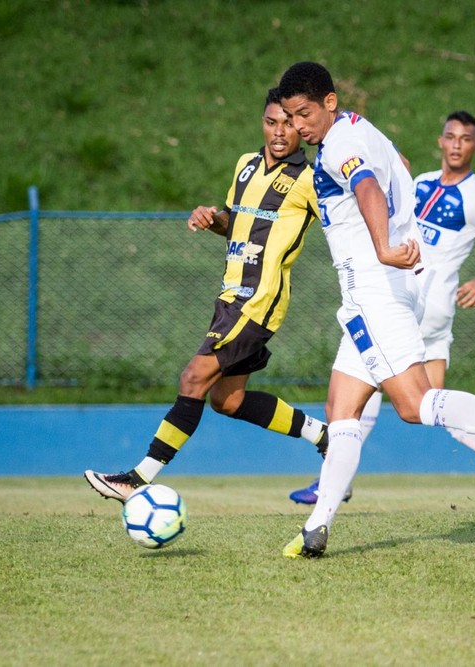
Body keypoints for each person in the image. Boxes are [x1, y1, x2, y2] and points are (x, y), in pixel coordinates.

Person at [276, 61, 475, 559]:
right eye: (289, 116)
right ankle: (316, 528)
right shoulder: (362, 128)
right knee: (342, 408)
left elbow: (368, 186)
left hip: (376, 290)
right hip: (385, 290)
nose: (297, 126)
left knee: (415, 406)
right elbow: (403, 169)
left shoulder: (340, 147)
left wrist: (383, 246)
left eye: (303, 114)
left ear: (329, 102)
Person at [84, 88, 326, 501]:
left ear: (302, 127)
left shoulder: (309, 180)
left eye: (289, 123)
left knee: (193, 377)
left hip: (258, 300)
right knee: (227, 401)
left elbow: (345, 224)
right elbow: (234, 223)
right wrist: (212, 218)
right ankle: (322, 435)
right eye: (272, 122)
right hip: (230, 296)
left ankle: (137, 479)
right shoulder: (246, 166)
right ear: (262, 124)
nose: (280, 132)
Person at [289, 110, 475, 509]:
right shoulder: (420, 183)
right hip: (410, 293)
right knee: (427, 402)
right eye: (449, 136)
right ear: (440, 140)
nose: (455, 145)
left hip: (423, 303)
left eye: (464, 139)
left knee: (375, 390)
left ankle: (333, 480)